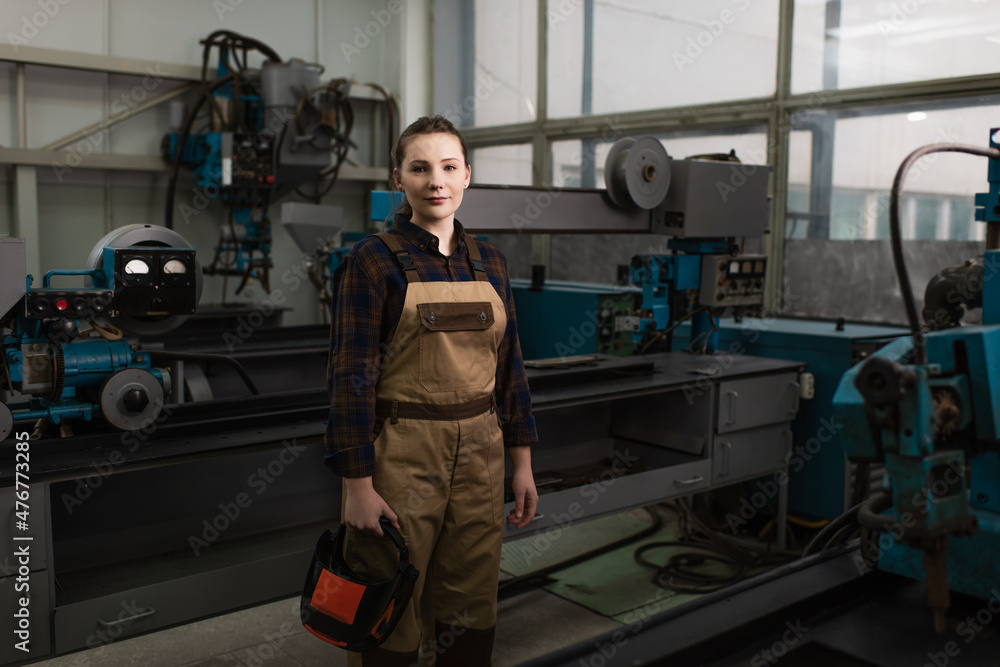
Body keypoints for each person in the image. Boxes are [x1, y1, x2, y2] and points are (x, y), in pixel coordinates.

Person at [325, 115, 539, 666]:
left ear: (467, 174)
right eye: (420, 168)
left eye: (448, 167)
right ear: (400, 178)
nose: (435, 181)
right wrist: (357, 486)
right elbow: (351, 379)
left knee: (472, 596)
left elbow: (510, 366)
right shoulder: (371, 260)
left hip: (483, 450)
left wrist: (522, 462)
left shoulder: (490, 261)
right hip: (403, 452)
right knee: (387, 596)